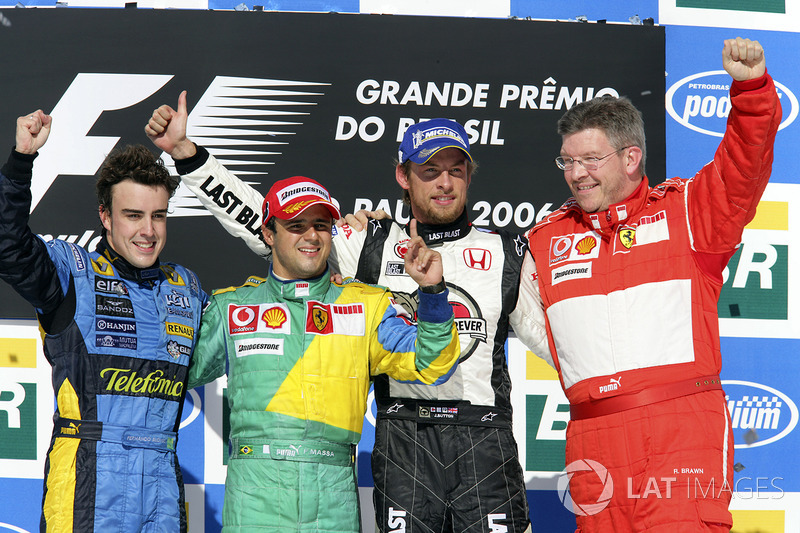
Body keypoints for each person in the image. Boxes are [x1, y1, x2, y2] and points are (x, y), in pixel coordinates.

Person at [146, 106, 550, 532]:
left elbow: (555, 342)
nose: (445, 183)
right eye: (430, 170)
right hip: (404, 434)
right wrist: (189, 156)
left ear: (470, 173)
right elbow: (266, 222)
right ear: (404, 176)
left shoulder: (508, 251)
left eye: (456, 169)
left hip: (482, 434)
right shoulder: (368, 241)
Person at [522, 37, 780, 531]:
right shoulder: (547, 238)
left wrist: (750, 93)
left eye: (590, 160)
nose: (576, 174)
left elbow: (743, 169)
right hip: (591, 437)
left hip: (679, 430)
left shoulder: (688, 213)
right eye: (567, 161)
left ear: (631, 157)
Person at [187, 175, 460, 532]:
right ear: (269, 234)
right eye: (296, 225)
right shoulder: (232, 307)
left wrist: (433, 293)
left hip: (333, 498)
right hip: (254, 497)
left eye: (320, 224)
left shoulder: (365, 305)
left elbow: (433, 364)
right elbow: (176, 375)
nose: (311, 236)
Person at [0, 111, 207, 531]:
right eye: (133, 215)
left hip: (162, 490)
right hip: (85, 480)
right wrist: (22, 160)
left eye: (159, 216)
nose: (148, 231)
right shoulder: (71, 271)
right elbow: (7, 246)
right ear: (105, 216)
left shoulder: (185, 287)